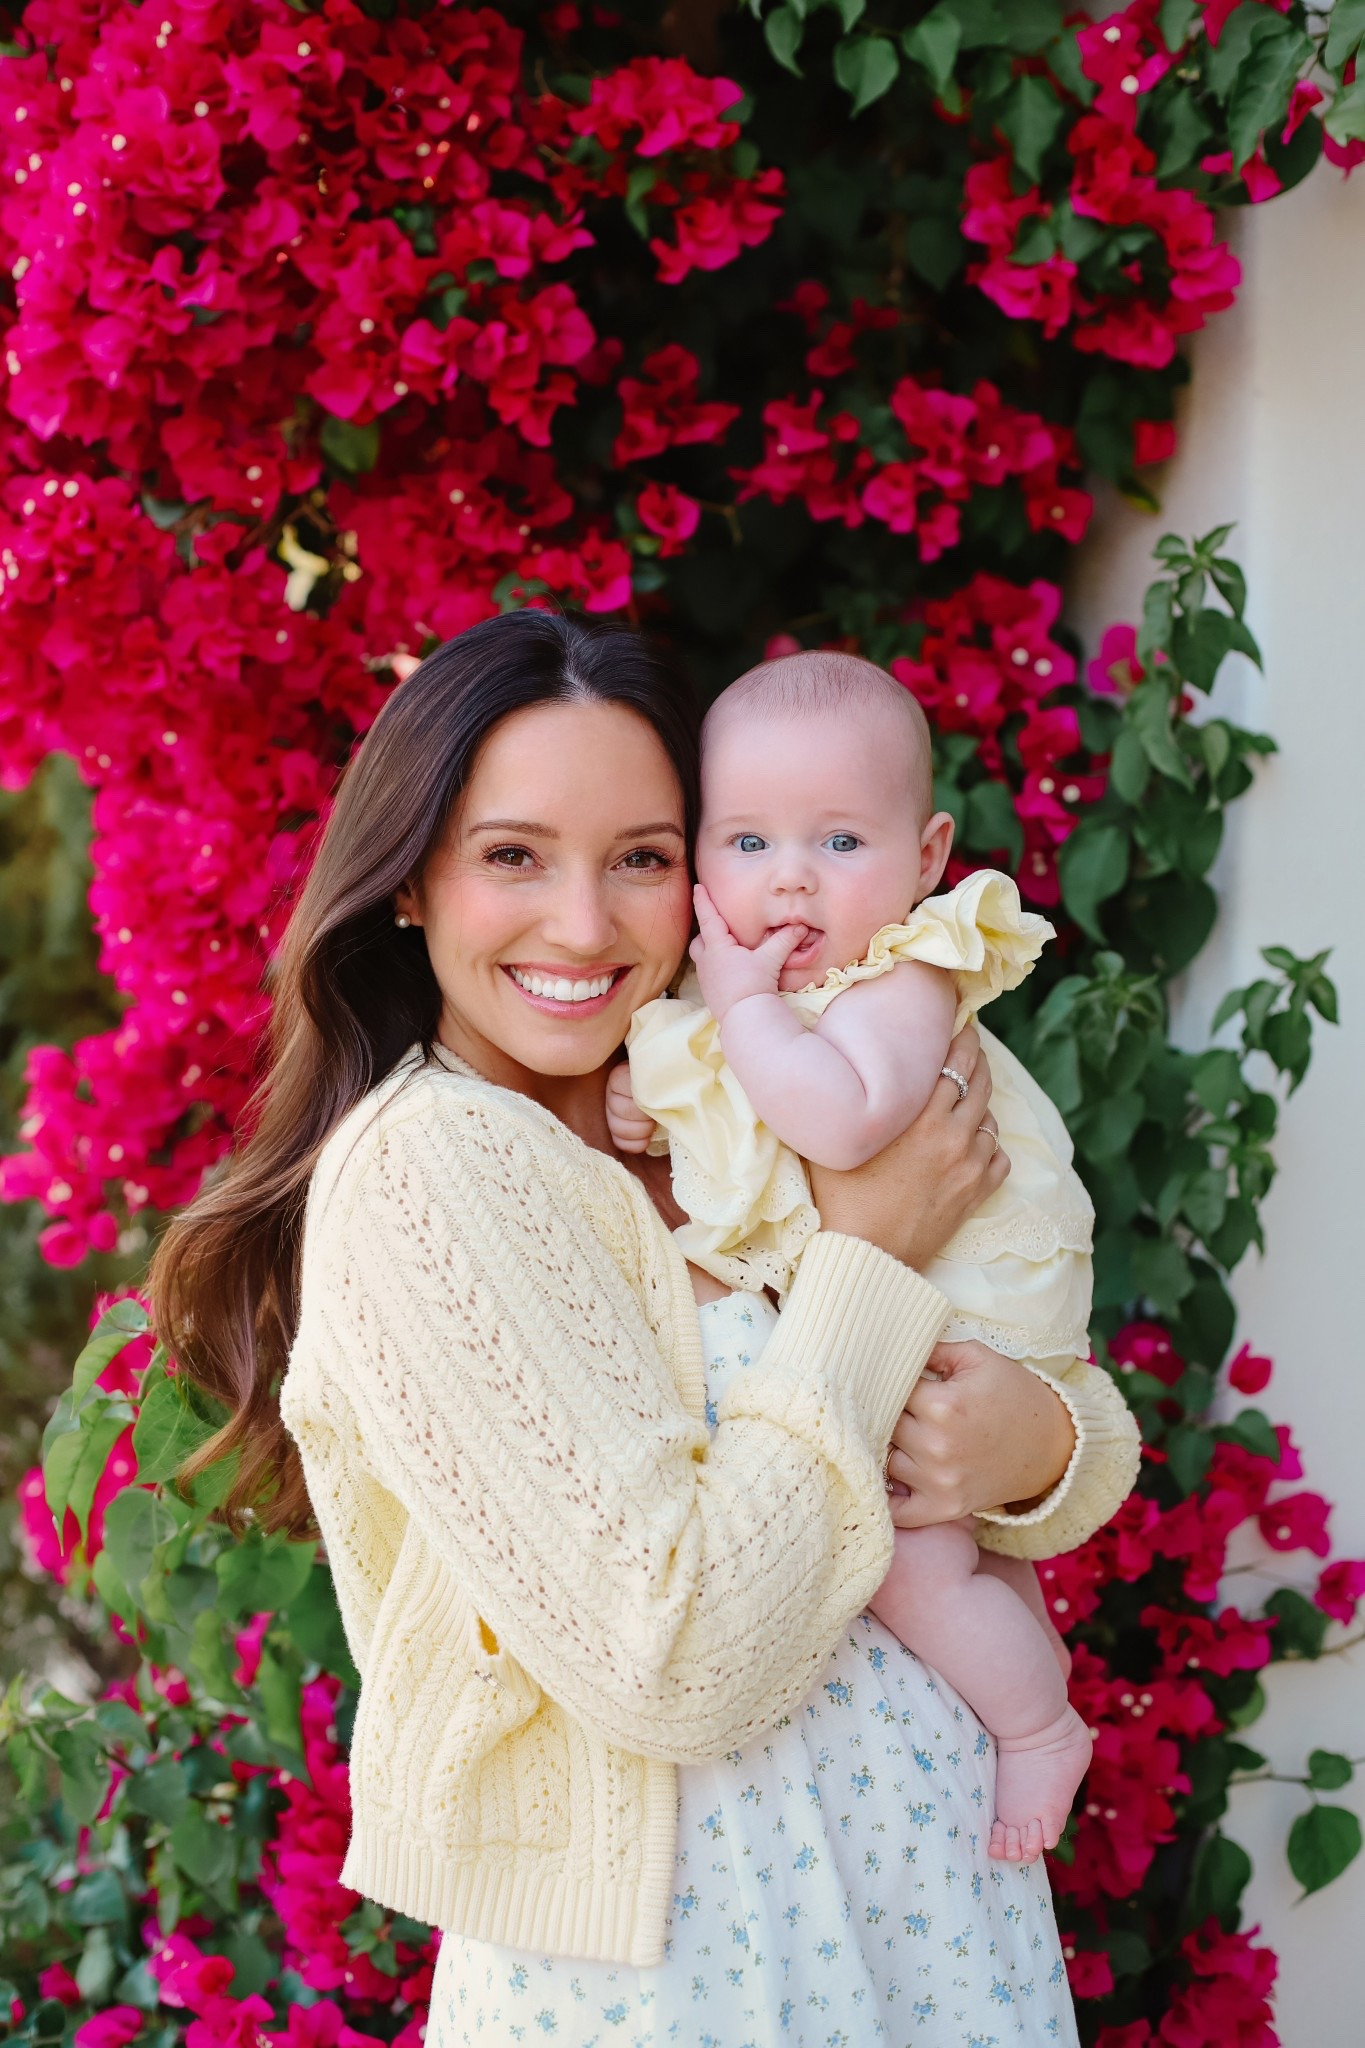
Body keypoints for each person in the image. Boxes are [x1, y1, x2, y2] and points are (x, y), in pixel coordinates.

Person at [150, 612, 1139, 2047]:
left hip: (923, 1913)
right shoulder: (431, 1175)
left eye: (643, 857)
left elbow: (1038, 1395)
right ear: (412, 883)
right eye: (512, 856)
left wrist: (1036, 1444)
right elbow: (679, 1661)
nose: (584, 924)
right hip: (678, 1971)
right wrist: (869, 1254)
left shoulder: (726, 1092)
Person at [611, 650, 1107, 1866]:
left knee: (915, 1565)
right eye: (747, 843)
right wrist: (658, 1101)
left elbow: (835, 1122)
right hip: (902, 1303)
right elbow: (753, 1135)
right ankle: (1024, 1682)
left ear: (929, 858)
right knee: (941, 1539)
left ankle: (1040, 1722)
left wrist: (735, 1011)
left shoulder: (903, 974)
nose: (790, 881)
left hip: (965, 1307)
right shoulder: (761, 994)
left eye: (840, 843)